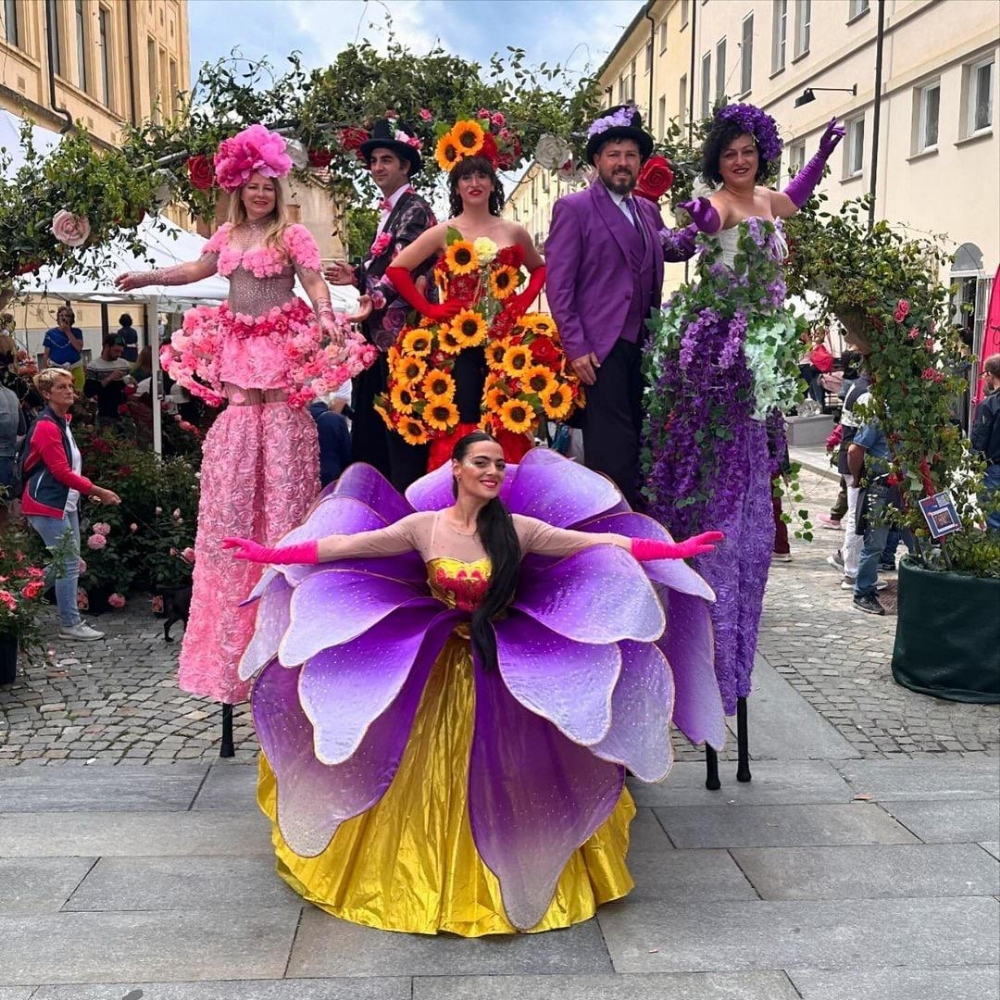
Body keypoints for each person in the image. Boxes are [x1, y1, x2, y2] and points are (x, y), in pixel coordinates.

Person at [224, 431, 725, 936]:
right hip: (436, 658)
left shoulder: (520, 528)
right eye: (482, 463)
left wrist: (672, 549)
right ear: (457, 470)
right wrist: (268, 555)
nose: (493, 473)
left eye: (500, 466)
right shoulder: (423, 527)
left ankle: (521, 860)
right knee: (405, 756)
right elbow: (345, 545)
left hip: (506, 657)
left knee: (514, 768)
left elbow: (599, 543)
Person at [115, 123, 366, 705]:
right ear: (238, 188)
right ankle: (228, 649)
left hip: (276, 359)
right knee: (234, 473)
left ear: (278, 189)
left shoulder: (294, 236)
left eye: (268, 186)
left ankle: (287, 625)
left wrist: (326, 316)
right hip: (238, 367)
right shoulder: (226, 234)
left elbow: (313, 286)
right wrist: (148, 275)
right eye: (252, 186)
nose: (261, 194)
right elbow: (193, 272)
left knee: (280, 473)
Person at [644, 104, 844, 717]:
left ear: (760, 155)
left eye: (747, 152)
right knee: (719, 463)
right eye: (729, 153)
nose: (738, 161)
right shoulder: (722, 205)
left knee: (754, 468)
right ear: (717, 160)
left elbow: (796, 198)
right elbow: (696, 231)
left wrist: (823, 155)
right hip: (722, 355)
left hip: (760, 357)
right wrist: (690, 219)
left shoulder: (768, 203)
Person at [545, 104, 696, 510]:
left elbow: (673, 249)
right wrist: (575, 347)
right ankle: (611, 532)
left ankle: (640, 526)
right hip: (600, 349)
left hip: (643, 345)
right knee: (612, 449)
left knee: (642, 443)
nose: (622, 163)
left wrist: (711, 221)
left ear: (640, 163)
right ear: (597, 160)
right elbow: (558, 285)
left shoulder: (647, 210)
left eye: (630, 155)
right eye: (614, 154)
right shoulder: (573, 209)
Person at [379, 122, 548, 470]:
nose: (475, 184)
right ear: (456, 186)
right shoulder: (443, 231)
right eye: (467, 178)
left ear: (492, 183)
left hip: (505, 343)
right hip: (458, 345)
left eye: (481, 177)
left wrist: (522, 301)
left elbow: (540, 269)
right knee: (464, 417)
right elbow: (397, 269)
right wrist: (430, 308)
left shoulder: (513, 230)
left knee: (507, 418)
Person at [324, 118, 437, 490]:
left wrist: (371, 295)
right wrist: (357, 275)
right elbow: (383, 265)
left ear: (405, 165)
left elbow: (402, 264)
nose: (377, 168)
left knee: (397, 427)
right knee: (373, 423)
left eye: (386, 159)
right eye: (373, 161)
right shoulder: (391, 208)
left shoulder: (415, 208)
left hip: (405, 337)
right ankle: (374, 500)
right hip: (379, 336)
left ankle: (399, 504)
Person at [19, 368, 121, 640]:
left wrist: (85, 492)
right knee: (67, 562)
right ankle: (68, 623)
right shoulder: (46, 426)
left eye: (70, 386)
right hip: (46, 503)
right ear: (46, 394)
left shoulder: (61, 422)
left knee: (68, 562)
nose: (69, 391)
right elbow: (61, 472)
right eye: (61, 387)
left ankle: (17, 601)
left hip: (64, 503)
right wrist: (98, 490)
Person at [971, 353, 1000, 530]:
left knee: (995, 522)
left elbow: (979, 442)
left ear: (990, 374)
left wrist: (975, 465)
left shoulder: (989, 405)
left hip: (994, 470)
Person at [84, 335, 132, 427]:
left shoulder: (124, 364)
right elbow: (89, 392)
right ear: (106, 347)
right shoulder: (94, 366)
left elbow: (128, 386)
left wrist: (131, 382)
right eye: (116, 351)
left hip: (123, 411)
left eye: (121, 352)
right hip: (104, 412)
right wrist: (109, 379)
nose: (119, 354)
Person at [308, 392, 351, 487]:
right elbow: (347, 452)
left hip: (306, 474)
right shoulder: (336, 419)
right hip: (331, 475)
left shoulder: (299, 418)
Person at [42, 306, 85, 390]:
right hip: (56, 368)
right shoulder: (50, 333)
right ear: (58, 317)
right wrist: (45, 371)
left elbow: (79, 347)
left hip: (75, 368)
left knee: (77, 393)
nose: (64, 317)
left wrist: (67, 332)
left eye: (67, 315)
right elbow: (46, 354)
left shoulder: (77, 332)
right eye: (61, 315)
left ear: (71, 318)